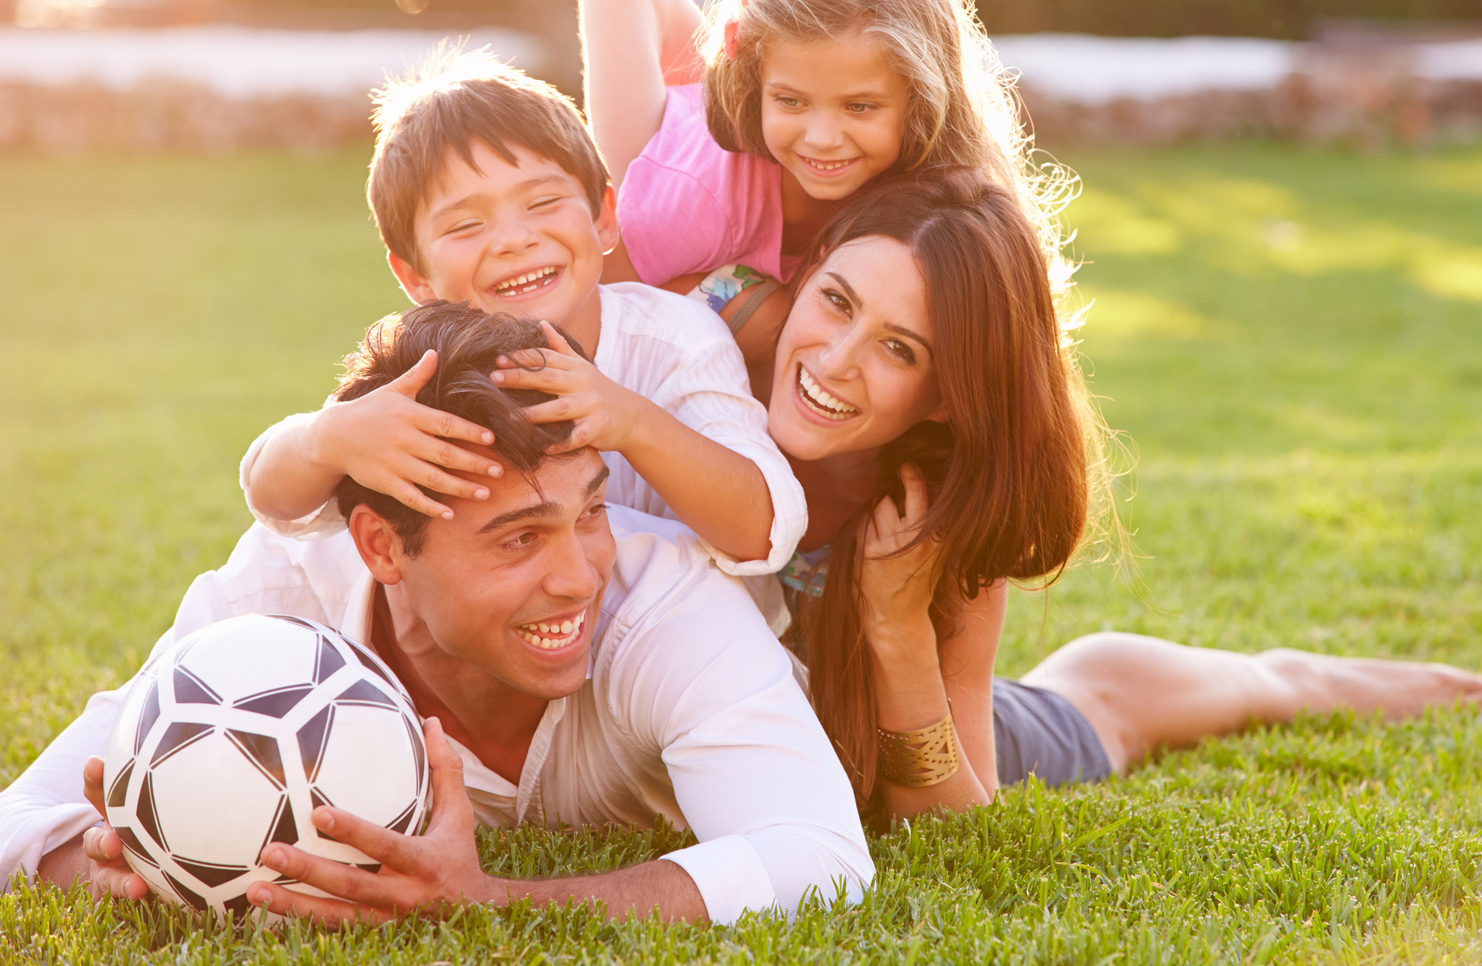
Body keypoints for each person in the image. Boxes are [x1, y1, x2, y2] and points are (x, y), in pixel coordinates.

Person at [503, 167, 1482, 820]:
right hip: (665, 725)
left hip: (910, 738)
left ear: (944, 397)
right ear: (804, 278)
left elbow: (951, 825)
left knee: (1099, 707)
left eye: (898, 350)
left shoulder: (931, 514)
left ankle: (1298, 675)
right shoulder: (698, 329)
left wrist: (896, 634)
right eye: (837, 302)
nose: (835, 361)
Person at [0, 302, 872, 924]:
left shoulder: (664, 600)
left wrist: (497, 901)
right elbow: (19, 818)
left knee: (1012, 718)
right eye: (517, 539)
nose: (578, 575)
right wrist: (107, 863)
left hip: (880, 711)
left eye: (591, 511)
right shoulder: (274, 611)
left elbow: (823, 856)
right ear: (382, 547)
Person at [240, 46, 804, 580]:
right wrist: (328, 439)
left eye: (543, 202)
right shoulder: (427, 369)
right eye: (465, 224)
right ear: (415, 276)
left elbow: (764, 531)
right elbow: (280, 509)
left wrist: (630, 421)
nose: (514, 240)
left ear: (605, 217)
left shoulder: (677, 340)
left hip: (677, 633)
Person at [578, 0, 1073, 393]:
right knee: (768, 323)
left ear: (921, 102)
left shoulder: (946, 202)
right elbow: (596, 304)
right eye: (790, 100)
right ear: (756, 85)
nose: (822, 138)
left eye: (859, 107)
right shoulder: (690, 203)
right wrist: (727, 296)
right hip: (676, 183)